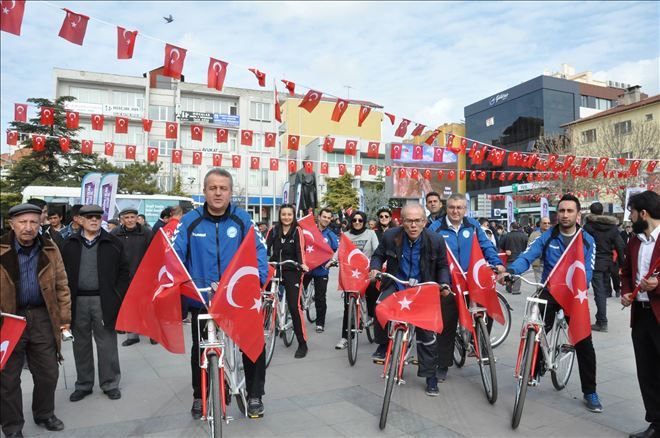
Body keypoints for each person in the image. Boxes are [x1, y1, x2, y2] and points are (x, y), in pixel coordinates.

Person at [172, 168, 268, 419]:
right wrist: (177, 281)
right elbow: (174, 256)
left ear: (230, 192)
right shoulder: (190, 221)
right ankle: (199, 394)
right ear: (204, 191)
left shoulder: (242, 220)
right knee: (200, 349)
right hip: (201, 296)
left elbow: (259, 251)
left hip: (237, 297)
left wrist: (256, 281)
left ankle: (255, 393)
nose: (218, 193)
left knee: (252, 344)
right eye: (213, 188)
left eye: (223, 188)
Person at [502, 194, 602, 413]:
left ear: (578, 215)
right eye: (561, 211)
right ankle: (534, 368)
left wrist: (581, 285)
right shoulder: (547, 236)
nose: (565, 215)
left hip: (574, 295)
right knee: (536, 330)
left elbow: (588, 270)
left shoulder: (587, 240)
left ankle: (590, 391)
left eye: (569, 211)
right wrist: (512, 271)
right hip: (550, 290)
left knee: (584, 342)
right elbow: (527, 257)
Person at [1, 203, 72, 437]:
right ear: (12, 224)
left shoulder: (50, 249)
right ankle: (12, 428)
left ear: (40, 223)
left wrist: (64, 320)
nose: (28, 227)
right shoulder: (1, 249)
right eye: (23, 222)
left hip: (42, 317)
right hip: (8, 320)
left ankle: (44, 413)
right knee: (8, 378)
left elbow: (62, 286)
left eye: (33, 222)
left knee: (49, 372)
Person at [369, 204, 453, 396]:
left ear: (424, 222)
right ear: (402, 221)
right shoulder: (391, 236)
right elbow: (378, 255)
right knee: (379, 307)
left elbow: (442, 266)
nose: (413, 225)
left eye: (417, 220)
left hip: (423, 291)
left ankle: (430, 377)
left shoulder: (436, 240)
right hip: (396, 286)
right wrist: (374, 268)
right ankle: (383, 345)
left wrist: (444, 284)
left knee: (428, 336)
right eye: (408, 220)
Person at [428, 193, 505, 377]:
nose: (456, 211)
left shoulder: (473, 225)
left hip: (472, 280)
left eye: (459, 207)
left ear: (465, 209)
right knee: (447, 323)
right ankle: (443, 364)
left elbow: (486, 246)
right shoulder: (436, 227)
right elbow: (429, 253)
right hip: (449, 282)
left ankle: (481, 344)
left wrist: (497, 263)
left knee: (488, 309)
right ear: (447, 208)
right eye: (452, 207)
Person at [61, 205, 130, 402]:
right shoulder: (69, 243)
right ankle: (83, 384)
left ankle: (110, 383)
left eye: (98, 217)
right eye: (89, 217)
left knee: (107, 343)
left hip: (104, 300)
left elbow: (124, 272)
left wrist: (117, 295)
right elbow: (61, 273)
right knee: (80, 344)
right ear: (80, 220)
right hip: (78, 300)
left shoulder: (113, 242)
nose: (94, 220)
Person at [619, 190, 660, 438]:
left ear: (643, 213)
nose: (630, 218)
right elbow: (625, 273)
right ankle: (655, 422)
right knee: (646, 371)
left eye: (632, 213)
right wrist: (626, 293)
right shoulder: (634, 242)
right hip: (641, 316)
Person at [266, 204, 309, 358]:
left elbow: (300, 250)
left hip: (292, 269)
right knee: (265, 298)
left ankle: (302, 343)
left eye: (289, 214)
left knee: (293, 306)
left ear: (293, 215)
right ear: (280, 215)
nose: (286, 217)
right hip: (276, 268)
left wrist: (302, 264)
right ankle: (269, 322)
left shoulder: (298, 231)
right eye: (283, 214)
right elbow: (265, 247)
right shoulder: (274, 230)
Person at [336, 210, 379, 350]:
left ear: (364, 221)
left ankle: (371, 316)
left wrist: (375, 267)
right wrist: (332, 260)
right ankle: (345, 337)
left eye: (360, 220)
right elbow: (339, 250)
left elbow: (377, 251)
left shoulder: (371, 234)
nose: (357, 222)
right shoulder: (346, 235)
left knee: (372, 293)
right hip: (350, 274)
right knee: (348, 306)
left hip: (366, 271)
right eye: (354, 220)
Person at [111, 208, 153, 346]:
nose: (129, 220)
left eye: (132, 217)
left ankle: (153, 333)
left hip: (143, 276)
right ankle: (133, 335)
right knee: (128, 306)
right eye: (126, 217)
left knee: (147, 307)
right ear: (121, 219)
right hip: (123, 276)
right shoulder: (115, 233)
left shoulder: (146, 233)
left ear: (137, 218)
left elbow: (154, 253)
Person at [583, 202, 625, 332]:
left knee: (599, 292)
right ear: (602, 211)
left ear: (591, 211)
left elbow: (582, 244)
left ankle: (602, 321)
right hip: (607, 262)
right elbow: (621, 245)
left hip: (594, 261)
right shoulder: (612, 228)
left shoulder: (588, 227)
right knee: (603, 290)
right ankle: (601, 319)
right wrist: (622, 265)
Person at [302, 208, 338, 333]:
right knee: (297, 295)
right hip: (306, 269)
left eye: (329, 218)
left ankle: (320, 322)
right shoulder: (309, 230)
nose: (326, 219)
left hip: (321, 270)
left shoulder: (331, 235)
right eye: (324, 217)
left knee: (320, 297)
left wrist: (331, 262)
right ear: (319, 217)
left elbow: (336, 251)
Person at [498, 222, 530, 294]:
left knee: (509, 272)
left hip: (509, 257)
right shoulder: (524, 236)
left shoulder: (506, 236)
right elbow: (527, 246)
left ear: (511, 227)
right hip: (520, 257)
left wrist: (506, 249)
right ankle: (516, 289)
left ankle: (508, 287)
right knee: (517, 274)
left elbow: (501, 245)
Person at [528, 217, 551, 283]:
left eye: (548, 223)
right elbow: (529, 248)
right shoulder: (534, 235)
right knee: (540, 285)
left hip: (551, 263)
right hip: (538, 263)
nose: (547, 225)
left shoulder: (553, 234)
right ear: (540, 224)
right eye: (545, 223)